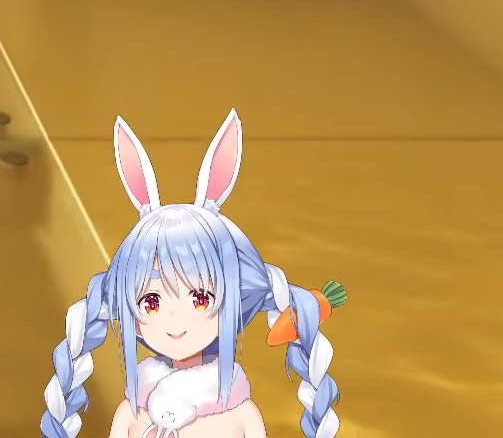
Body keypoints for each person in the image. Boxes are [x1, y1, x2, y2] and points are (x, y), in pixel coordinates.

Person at [39, 111, 347, 438]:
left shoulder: (239, 415)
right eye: (151, 302)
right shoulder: (133, 413)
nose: (175, 320)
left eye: (201, 299)